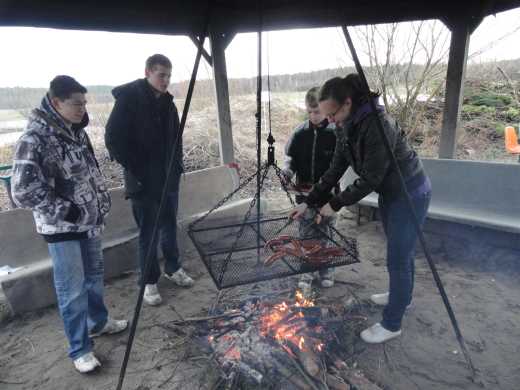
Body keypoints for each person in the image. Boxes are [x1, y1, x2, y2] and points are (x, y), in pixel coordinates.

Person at [291, 74, 431, 344]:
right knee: (401, 251)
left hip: (410, 193)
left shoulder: (378, 126)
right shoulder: (346, 123)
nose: (330, 120)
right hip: (391, 194)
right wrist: (310, 201)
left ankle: (392, 323)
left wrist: (335, 203)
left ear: (348, 103)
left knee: (398, 258)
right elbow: (335, 167)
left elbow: (371, 178)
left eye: (332, 113)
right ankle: (403, 297)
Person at [11, 75, 128, 373]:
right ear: (55, 102)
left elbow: (88, 170)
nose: (81, 109)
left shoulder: (76, 131)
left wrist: (99, 205)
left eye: (84, 103)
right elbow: (22, 190)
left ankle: (98, 322)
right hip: (61, 229)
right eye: (75, 104)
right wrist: (69, 211)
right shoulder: (34, 138)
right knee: (72, 289)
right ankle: (80, 349)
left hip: (89, 223)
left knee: (94, 278)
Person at [105, 54, 194, 307]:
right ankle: (149, 281)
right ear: (147, 72)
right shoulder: (129, 100)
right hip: (143, 183)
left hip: (168, 179)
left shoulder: (168, 103)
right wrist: (139, 171)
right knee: (149, 233)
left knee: (169, 225)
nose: (165, 80)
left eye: (168, 75)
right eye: (161, 75)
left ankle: (173, 267)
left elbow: (175, 140)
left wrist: (176, 168)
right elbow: (113, 139)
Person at [282, 87, 337, 291]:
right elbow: (289, 159)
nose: (314, 116)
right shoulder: (300, 133)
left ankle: (326, 269)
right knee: (306, 233)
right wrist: (286, 173)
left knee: (326, 233)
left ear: (325, 109)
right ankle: (307, 271)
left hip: (329, 195)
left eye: (317, 112)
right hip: (303, 195)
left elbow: (338, 167)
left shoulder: (335, 132)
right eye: (310, 112)